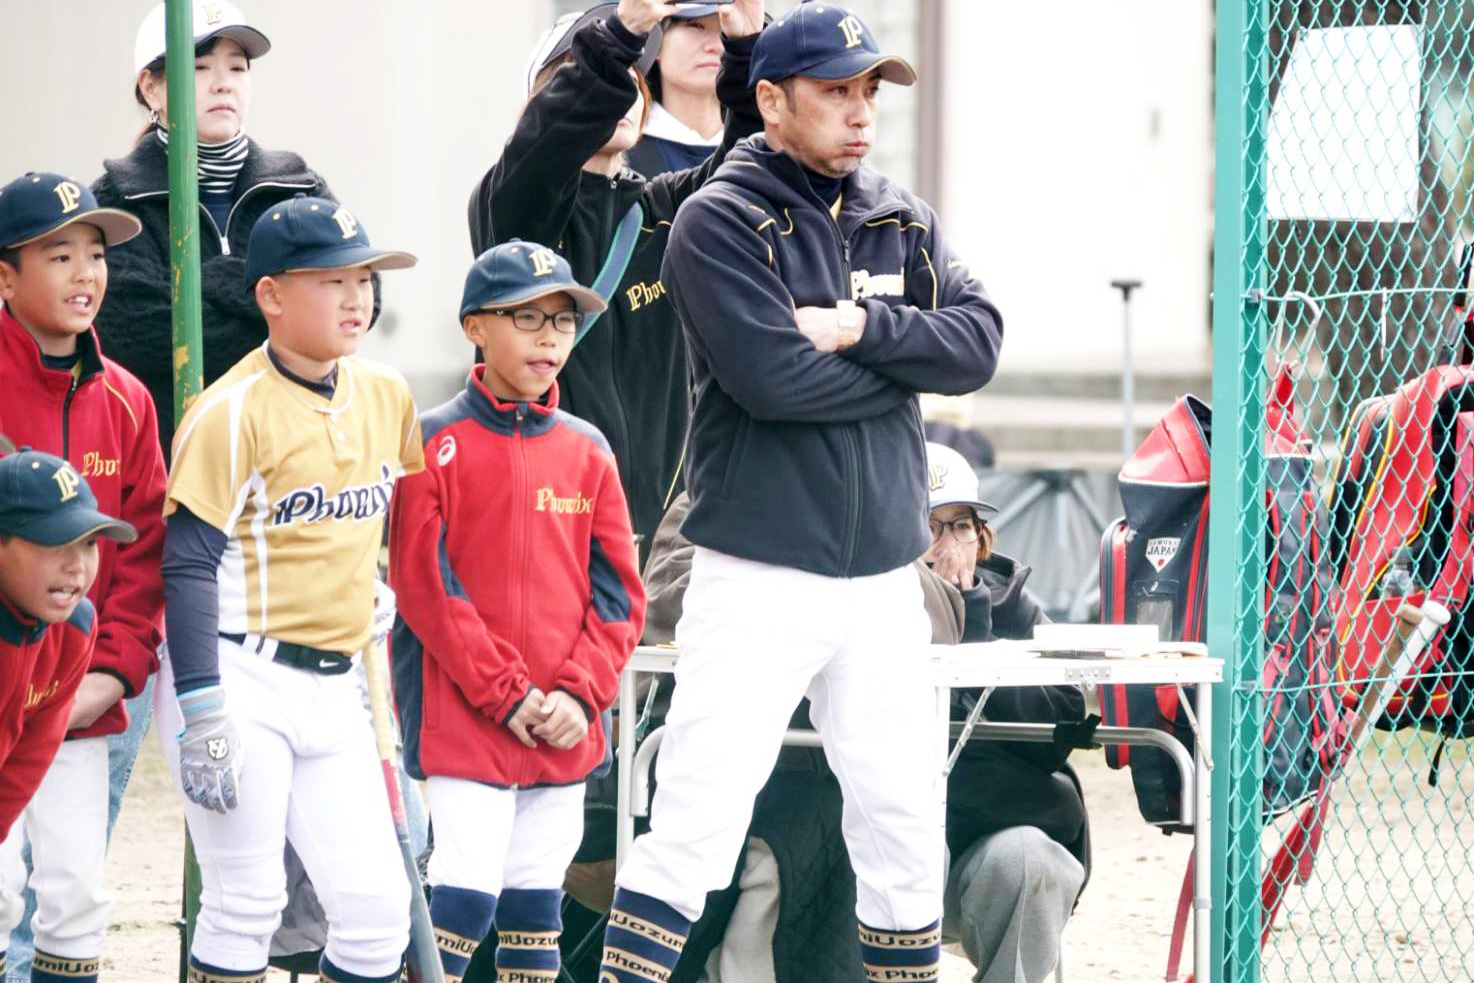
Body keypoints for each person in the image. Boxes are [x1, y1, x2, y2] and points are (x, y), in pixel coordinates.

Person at [597, 5, 1004, 981]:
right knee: (696, 814)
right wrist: (908, 358)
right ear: (770, 101)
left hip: (882, 577)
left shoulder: (898, 210)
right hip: (758, 567)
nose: (860, 110)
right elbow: (775, 380)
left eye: (869, 88)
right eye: (835, 89)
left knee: (902, 815)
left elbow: (980, 340)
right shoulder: (718, 217)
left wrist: (860, 330)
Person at [156, 195, 423, 983]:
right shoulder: (228, 411)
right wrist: (201, 703)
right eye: (332, 280)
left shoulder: (386, 391)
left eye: (365, 278)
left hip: (341, 683)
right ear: (271, 294)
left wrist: (373, 583)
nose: (357, 297)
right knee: (247, 898)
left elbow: (381, 522)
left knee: (378, 912)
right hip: (240, 675)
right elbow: (187, 564)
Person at [388, 239, 646, 982]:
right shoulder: (434, 438)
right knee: (461, 898)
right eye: (526, 317)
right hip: (467, 719)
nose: (548, 337)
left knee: (538, 909)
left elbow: (621, 596)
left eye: (563, 322)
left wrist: (578, 693)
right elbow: (426, 589)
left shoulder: (589, 449)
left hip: (563, 722)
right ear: (475, 327)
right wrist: (508, 693)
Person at [469, 0, 765, 563]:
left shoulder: (663, 205)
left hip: (665, 536)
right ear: (542, 101)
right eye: (597, 73)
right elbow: (543, 150)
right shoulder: (510, 203)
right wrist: (623, 33)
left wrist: (747, 47)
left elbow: (749, 164)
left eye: (633, 73)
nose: (623, 84)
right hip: (544, 521)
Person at [0, 172, 166, 983]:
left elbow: (145, 554)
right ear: (5, 275)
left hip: (78, 690)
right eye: (58, 255)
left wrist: (110, 672)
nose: (85, 274)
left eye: (95, 255)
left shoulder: (130, 401)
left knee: (73, 887)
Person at [921, 442, 1089, 983]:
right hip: (873, 843)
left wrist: (975, 629)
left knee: (1031, 860)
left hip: (982, 842)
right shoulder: (853, 600)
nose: (947, 546)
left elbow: (1060, 724)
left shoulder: (1008, 601)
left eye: (961, 526)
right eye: (928, 526)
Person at [0, 446, 139, 978]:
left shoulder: (75, 630)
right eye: (53, 542)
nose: (78, 565)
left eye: (88, 543)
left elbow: (22, 769)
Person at [625, 5, 725, 177]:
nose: (716, 46)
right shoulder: (621, 149)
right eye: (695, 25)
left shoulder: (763, 145)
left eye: (726, 31)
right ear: (654, 41)